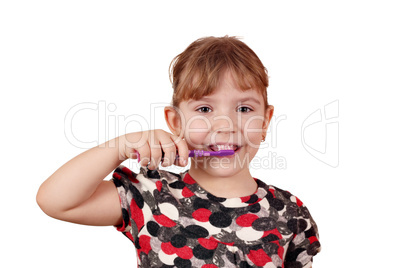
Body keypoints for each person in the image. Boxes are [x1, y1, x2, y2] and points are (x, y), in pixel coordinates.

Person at [37, 36, 321, 268]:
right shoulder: (150, 196)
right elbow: (57, 201)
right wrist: (120, 147)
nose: (225, 125)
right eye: (204, 109)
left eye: (244, 109)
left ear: (265, 122)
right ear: (175, 122)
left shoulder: (291, 213)